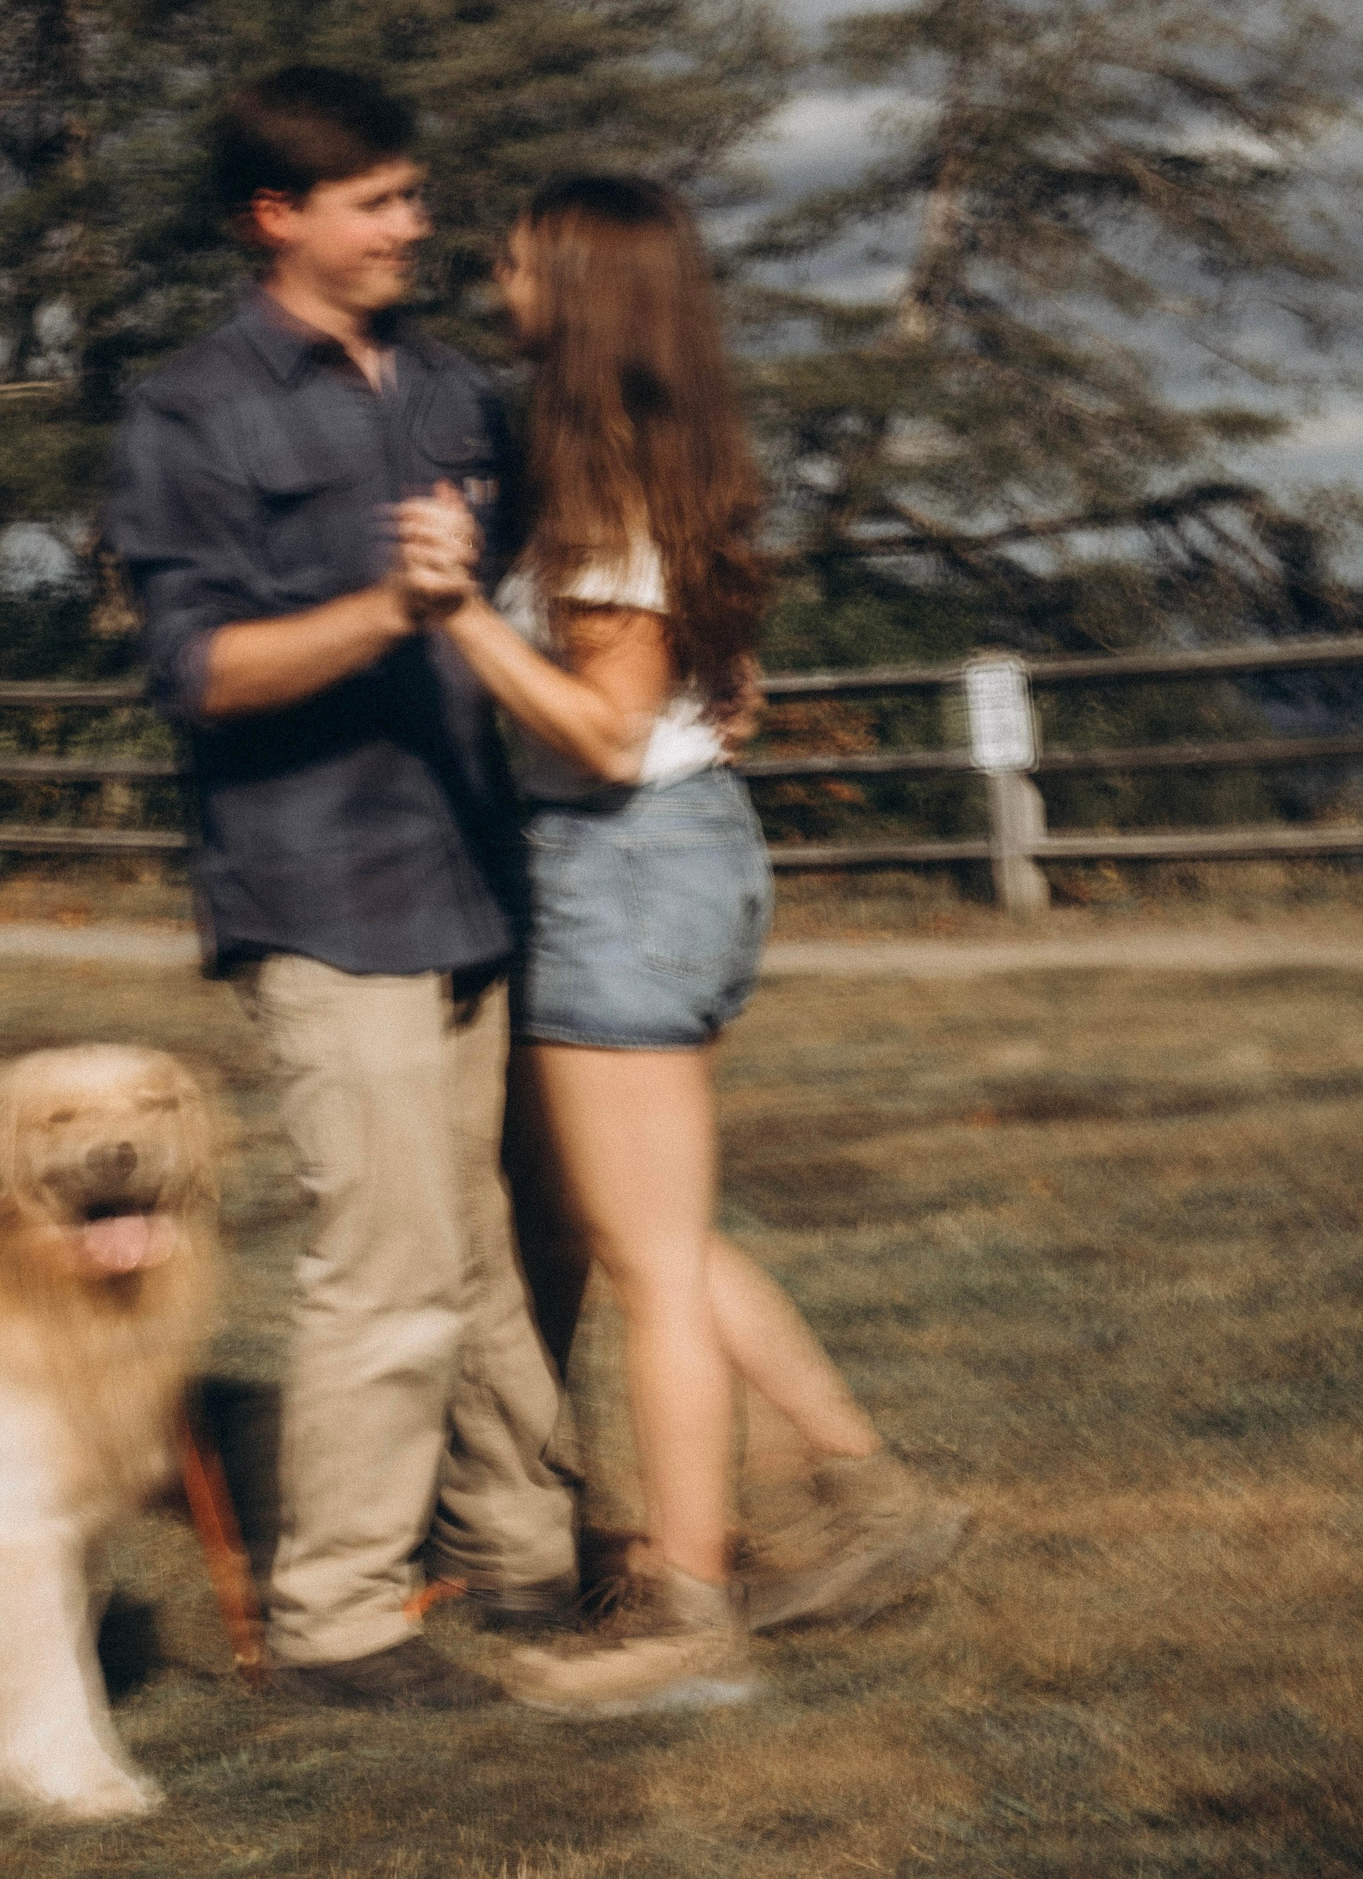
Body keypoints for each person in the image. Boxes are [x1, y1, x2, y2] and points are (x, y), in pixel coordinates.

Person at [393, 173, 968, 1717]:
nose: (492, 273)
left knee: (645, 1265)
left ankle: (691, 1613)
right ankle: (863, 1492)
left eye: (513, 257)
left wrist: (454, 612)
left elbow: (598, 725)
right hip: (679, 854)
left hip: (624, 867)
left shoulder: (603, 490)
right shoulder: (649, 460)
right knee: (669, 1236)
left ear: (571, 286)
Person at [102, 66, 575, 1710]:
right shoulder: (191, 410)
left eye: (414, 194)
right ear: (275, 219)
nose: (412, 225)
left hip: (473, 872)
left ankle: (526, 1558)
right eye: (377, 201)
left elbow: (530, 590)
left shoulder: (453, 390)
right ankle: (341, 1621)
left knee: (489, 1246)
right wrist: (390, 609)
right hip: (322, 885)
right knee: (380, 1260)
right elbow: (201, 670)